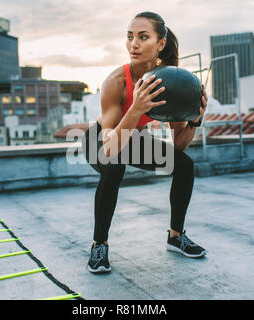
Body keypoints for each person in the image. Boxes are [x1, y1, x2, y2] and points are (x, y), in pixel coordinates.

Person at [83, 11, 208, 273]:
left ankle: (176, 237)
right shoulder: (116, 82)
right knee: (113, 165)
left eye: (143, 37)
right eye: (129, 37)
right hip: (100, 140)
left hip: (134, 139)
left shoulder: (169, 80)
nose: (133, 44)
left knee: (184, 165)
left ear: (160, 44)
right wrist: (136, 109)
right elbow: (109, 148)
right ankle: (99, 245)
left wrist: (196, 120)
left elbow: (179, 146)